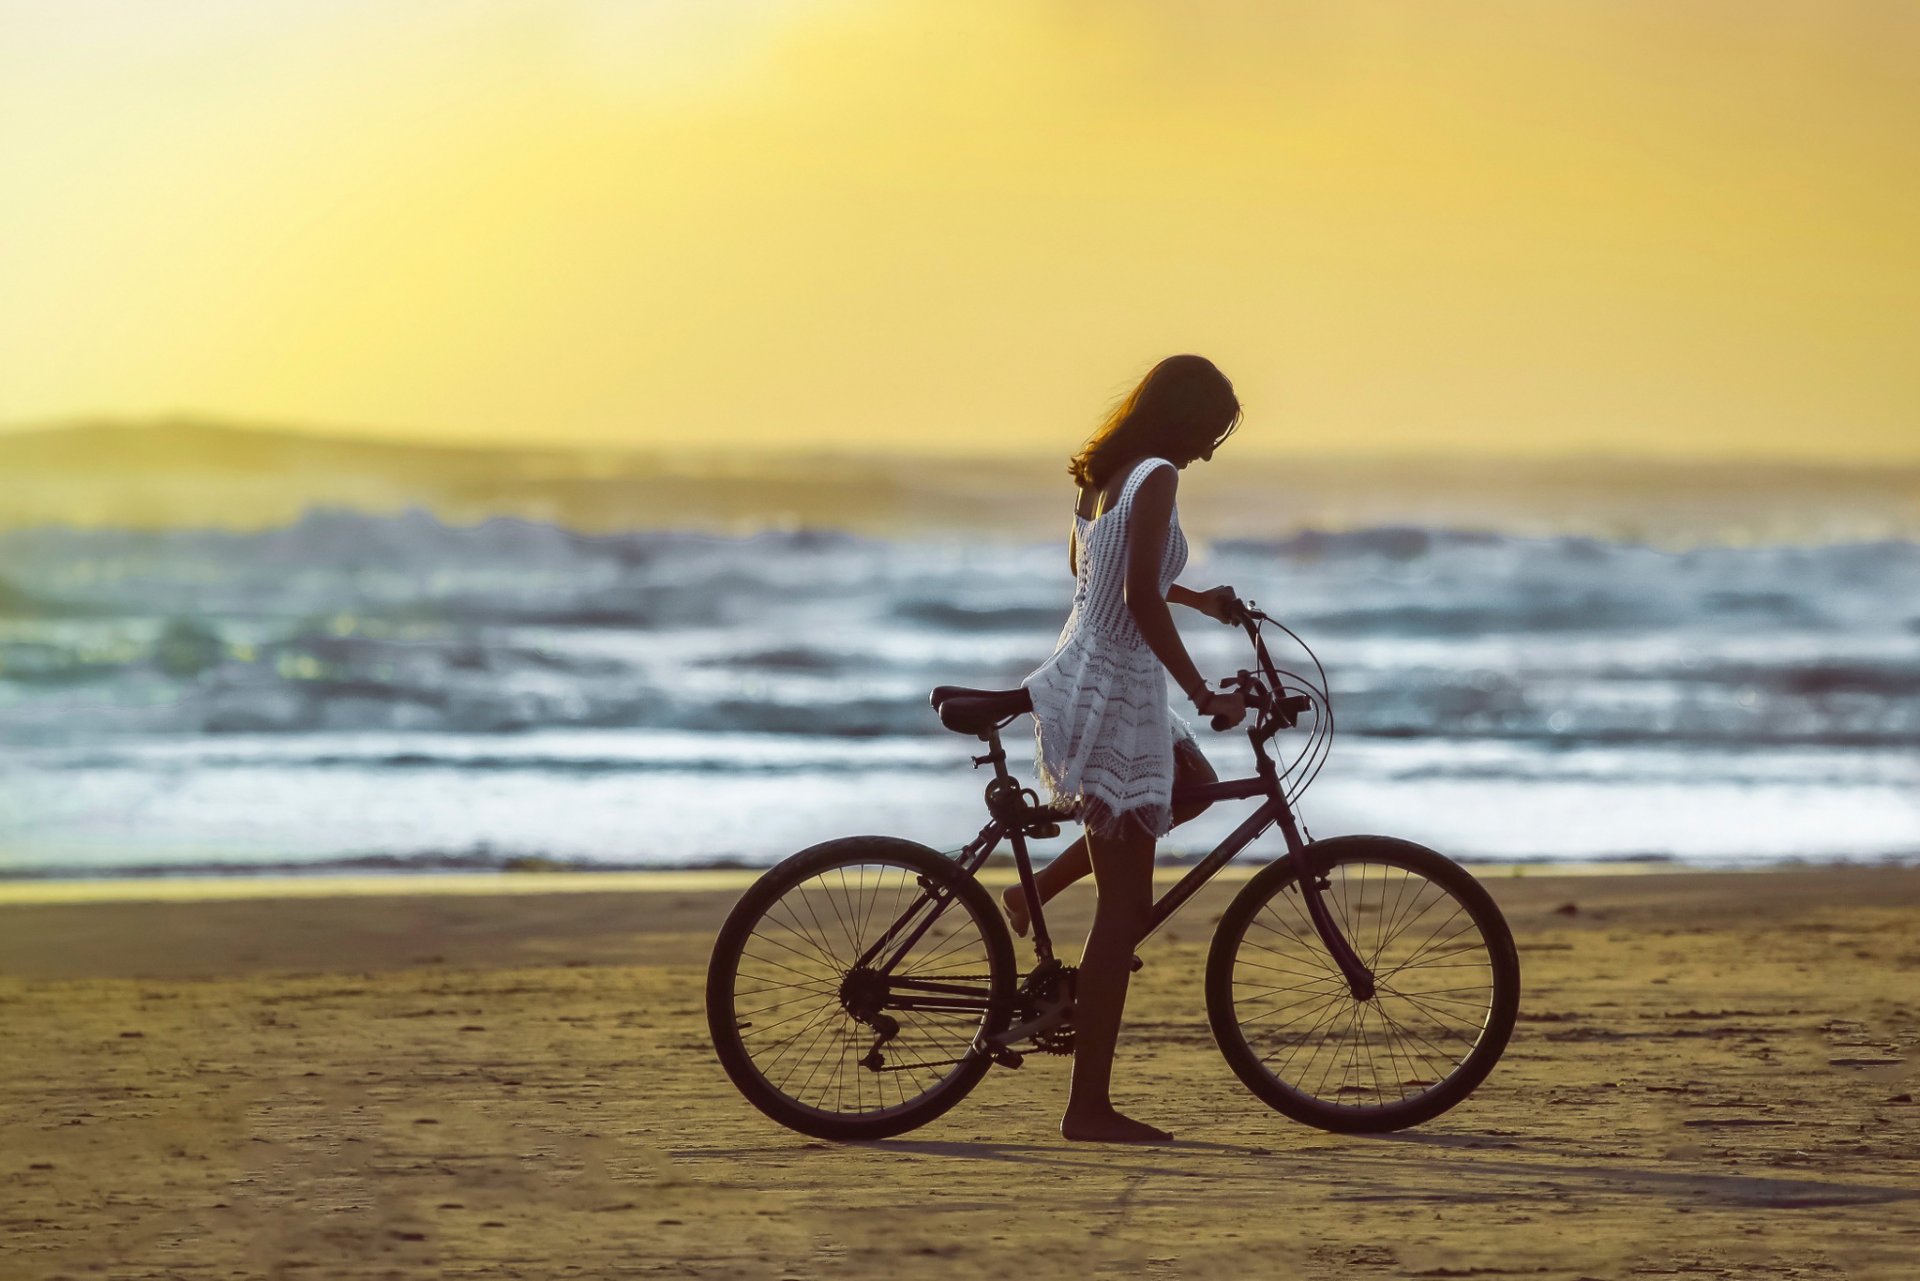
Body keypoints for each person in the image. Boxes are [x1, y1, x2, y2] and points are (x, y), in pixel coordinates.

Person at [1016, 353, 1250, 1144]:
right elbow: (1134, 596)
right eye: (1211, 431)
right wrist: (1203, 691)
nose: (1211, 450)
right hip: (1117, 690)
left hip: (1087, 674)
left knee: (1187, 788)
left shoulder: (1106, 470)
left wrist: (1200, 597)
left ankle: (1033, 892)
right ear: (1184, 419)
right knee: (1125, 909)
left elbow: (1092, 570)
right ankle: (1087, 1107)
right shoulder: (1157, 477)